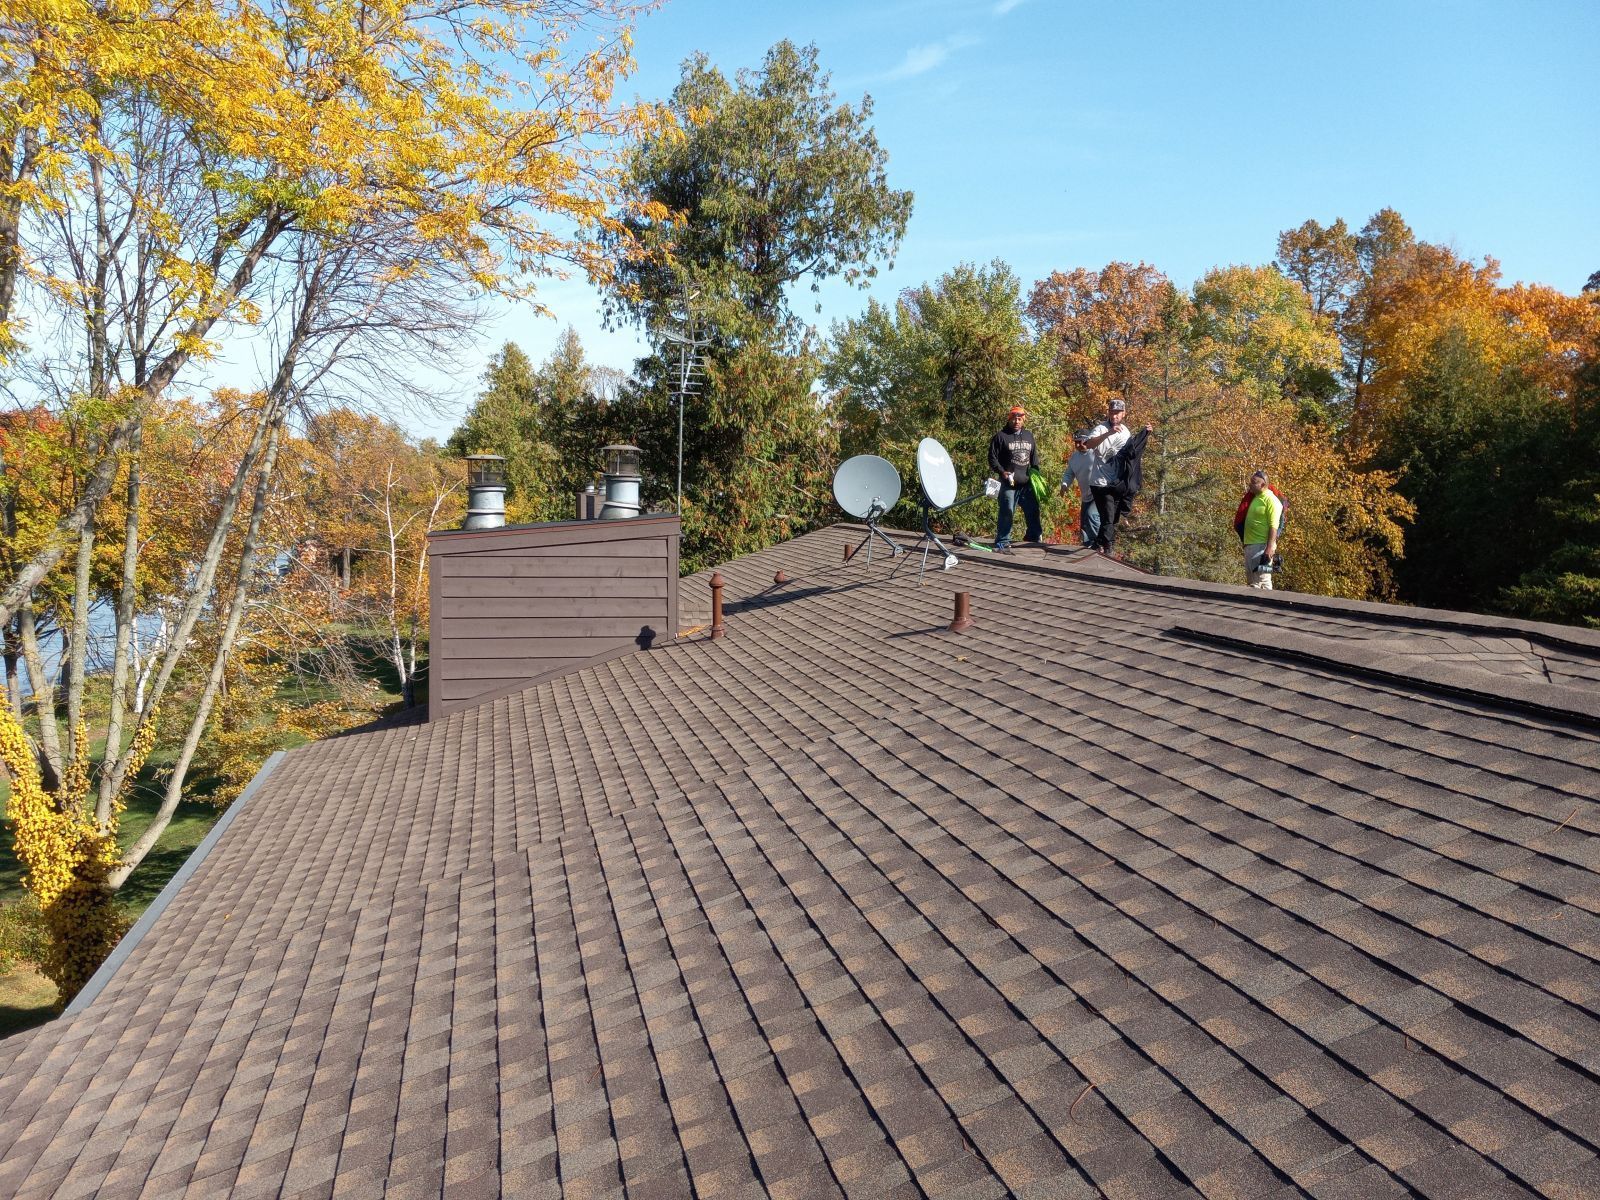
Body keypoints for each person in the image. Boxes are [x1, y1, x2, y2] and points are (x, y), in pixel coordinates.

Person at [1082, 399, 1152, 554]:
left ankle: (1098, 543)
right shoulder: (1100, 428)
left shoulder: (1126, 432)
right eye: (1112, 412)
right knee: (1107, 515)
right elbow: (1088, 445)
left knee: (1113, 517)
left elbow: (1132, 452)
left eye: (1117, 413)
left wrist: (1145, 434)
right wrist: (1109, 433)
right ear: (1108, 413)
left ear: (1123, 414)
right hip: (1099, 482)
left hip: (1116, 483)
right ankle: (1109, 547)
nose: (1114, 416)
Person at [988, 405, 1041, 549]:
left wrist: (1036, 474)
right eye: (1013, 418)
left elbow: (1034, 457)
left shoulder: (1029, 436)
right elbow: (992, 458)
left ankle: (1033, 537)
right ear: (1009, 418)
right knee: (1007, 511)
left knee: (1033, 510)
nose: (1016, 421)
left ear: (1024, 419)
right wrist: (1001, 471)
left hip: (1026, 482)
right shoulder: (1001, 436)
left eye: (1019, 418)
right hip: (1008, 483)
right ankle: (1003, 541)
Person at [1241, 470, 1283, 589]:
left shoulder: (1271, 500)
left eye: (1254, 483)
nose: (1250, 485)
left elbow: (1273, 526)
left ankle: (1266, 607)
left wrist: (1269, 548)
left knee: (1262, 582)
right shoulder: (1256, 497)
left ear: (1263, 485)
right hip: (1251, 546)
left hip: (1262, 548)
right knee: (1252, 582)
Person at [1063, 429, 1099, 547]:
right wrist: (1064, 485)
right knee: (1084, 524)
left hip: (1098, 493)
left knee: (1092, 515)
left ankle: (1099, 544)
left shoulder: (1096, 453)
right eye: (1076, 442)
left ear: (1087, 440)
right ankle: (1088, 546)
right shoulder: (1075, 457)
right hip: (1086, 496)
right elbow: (1069, 473)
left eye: (1080, 441)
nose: (1078, 445)